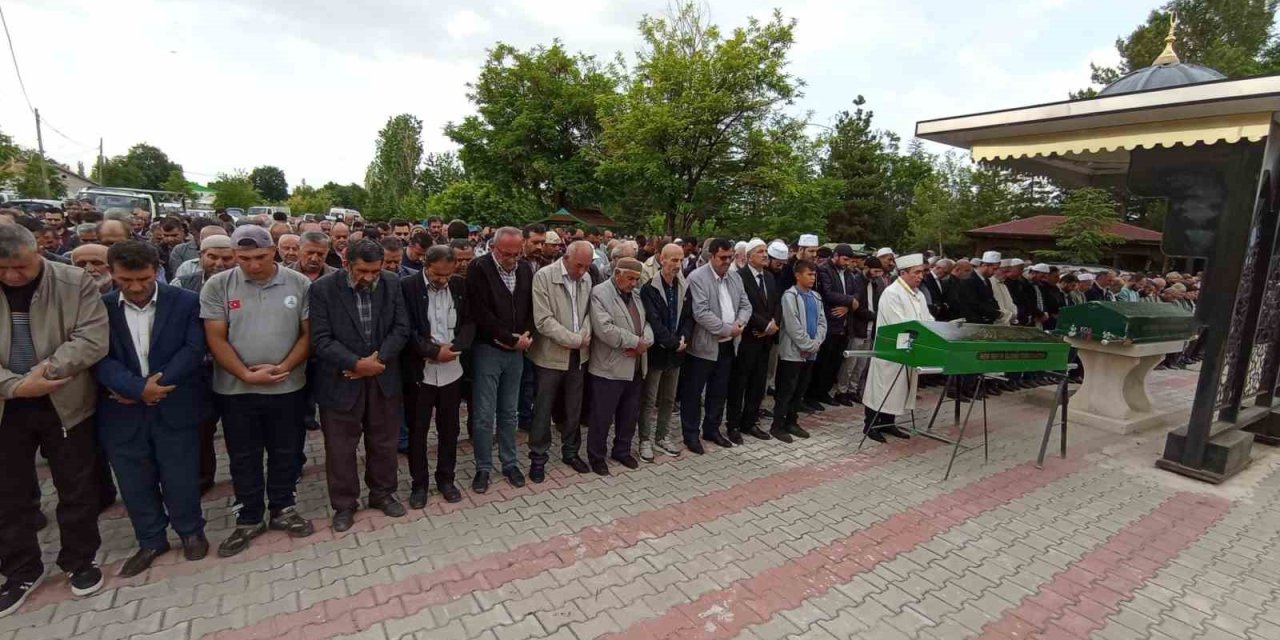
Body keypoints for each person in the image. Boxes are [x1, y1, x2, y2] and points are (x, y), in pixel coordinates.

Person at [0, 223, 109, 614]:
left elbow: (91, 338)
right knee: (9, 493)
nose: (12, 277)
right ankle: (19, 570)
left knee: (76, 485)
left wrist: (45, 374)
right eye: (3, 269)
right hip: (6, 404)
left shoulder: (73, 281)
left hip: (64, 399)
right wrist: (14, 386)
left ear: (37, 254)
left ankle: (80, 560)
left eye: (20, 268)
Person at [95, 241, 209, 577]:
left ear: (156, 270)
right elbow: (96, 354)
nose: (135, 287)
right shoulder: (99, 307)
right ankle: (151, 539)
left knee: (181, 474)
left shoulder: (184, 301)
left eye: (143, 278)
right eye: (125, 280)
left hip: (174, 403)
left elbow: (193, 348)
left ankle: (190, 531)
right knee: (134, 480)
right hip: (122, 409)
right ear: (112, 273)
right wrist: (134, 388)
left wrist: (154, 388)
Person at [200, 225, 315, 557]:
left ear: (274, 252)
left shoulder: (299, 284)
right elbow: (215, 337)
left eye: (260, 257)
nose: (252, 265)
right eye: (244, 258)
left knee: (286, 451)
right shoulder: (218, 285)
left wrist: (284, 367)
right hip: (236, 390)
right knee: (243, 455)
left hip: (288, 386)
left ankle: (283, 507)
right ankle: (249, 516)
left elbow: (307, 335)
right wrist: (244, 375)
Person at [309, 239, 410, 531]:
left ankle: (383, 493)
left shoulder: (392, 283)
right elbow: (321, 339)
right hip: (340, 382)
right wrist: (355, 363)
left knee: (384, 442)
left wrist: (376, 361)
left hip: (383, 378)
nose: (368, 278)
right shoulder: (322, 290)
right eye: (362, 271)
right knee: (340, 448)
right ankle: (344, 505)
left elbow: (401, 327)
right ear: (346, 264)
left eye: (374, 271)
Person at [401, 246, 472, 507]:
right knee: (418, 431)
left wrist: (455, 348)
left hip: (452, 371)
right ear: (425, 266)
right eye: (437, 275)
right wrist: (431, 350)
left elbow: (469, 322)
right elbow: (405, 328)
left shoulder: (459, 286)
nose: (442, 280)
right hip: (421, 373)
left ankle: (446, 479)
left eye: (447, 275)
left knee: (449, 428)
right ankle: (419, 484)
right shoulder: (407, 287)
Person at [466, 226, 535, 493]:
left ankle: (510, 463)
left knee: (509, 412)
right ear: (494, 247)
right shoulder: (479, 268)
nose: (512, 258)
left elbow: (530, 305)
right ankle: (483, 467)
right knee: (484, 414)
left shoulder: (525, 268)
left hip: (516, 351)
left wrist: (526, 335)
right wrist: (509, 338)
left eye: (516, 253)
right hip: (489, 349)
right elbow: (480, 313)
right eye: (507, 253)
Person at [528, 241, 594, 479]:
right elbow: (543, 320)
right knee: (543, 410)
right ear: (566, 257)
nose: (583, 271)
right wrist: (574, 339)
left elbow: (589, 312)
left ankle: (571, 451)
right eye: (579, 265)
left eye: (587, 266)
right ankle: (538, 457)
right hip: (549, 357)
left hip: (579, 356)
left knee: (574, 407)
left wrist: (585, 334)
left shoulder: (586, 279)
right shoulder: (544, 277)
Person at [680, 238, 752, 454]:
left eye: (730, 257)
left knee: (719, 391)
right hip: (703, 346)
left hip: (728, 345)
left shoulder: (734, 277)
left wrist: (740, 323)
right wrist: (727, 328)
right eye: (723, 258)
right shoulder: (697, 277)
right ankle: (690, 434)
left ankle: (711, 429)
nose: (727, 262)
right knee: (693, 393)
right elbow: (700, 312)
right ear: (711, 256)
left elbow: (745, 304)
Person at [586, 258, 652, 475]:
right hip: (609, 366)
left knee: (629, 412)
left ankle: (622, 450)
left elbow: (646, 323)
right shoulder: (600, 293)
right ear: (617, 274)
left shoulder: (635, 294)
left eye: (637, 279)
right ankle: (596, 456)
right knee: (602, 416)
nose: (634, 283)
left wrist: (646, 342)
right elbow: (604, 329)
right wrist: (635, 342)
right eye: (631, 278)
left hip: (634, 364)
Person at [863, 254, 934, 443]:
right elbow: (899, 323)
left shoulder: (917, 294)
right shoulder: (892, 293)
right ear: (903, 273)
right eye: (916, 272)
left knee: (900, 389)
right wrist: (921, 333)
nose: (920, 276)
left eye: (922, 272)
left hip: (909, 349)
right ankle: (870, 425)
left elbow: (927, 319)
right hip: (891, 350)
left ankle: (888, 424)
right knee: (882, 387)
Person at [639, 243, 689, 461]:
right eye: (674, 260)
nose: (678, 265)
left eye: (681, 260)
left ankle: (662, 436)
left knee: (669, 399)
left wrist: (683, 339)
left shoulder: (683, 287)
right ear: (662, 260)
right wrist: (672, 342)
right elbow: (653, 321)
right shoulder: (649, 288)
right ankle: (644, 440)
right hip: (657, 353)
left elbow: (688, 317)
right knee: (649, 399)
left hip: (677, 353)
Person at [726, 239, 779, 442]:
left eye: (766, 251)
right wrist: (764, 326)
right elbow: (743, 305)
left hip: (764, 340)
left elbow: (775, 304)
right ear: (748, 256)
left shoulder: (770, 278)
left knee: (758, 384)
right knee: (739, 384)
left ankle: (750, 422)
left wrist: (773, 324)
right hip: (747, 338)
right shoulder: (739, 277)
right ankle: (733, 425)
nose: (765, 255)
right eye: (760, 251)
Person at [771, 260, 825, 442]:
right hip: (793, 353)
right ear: (798, 275)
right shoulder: (790, 296)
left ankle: (792, 421)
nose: (813, 278)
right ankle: (777, 425)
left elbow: (822, 322)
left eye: (814, 274)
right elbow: (793, 326)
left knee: (800, 390)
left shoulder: (816, 297)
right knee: (787, 389)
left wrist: (816, 343)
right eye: (809, 274)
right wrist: (807, 345)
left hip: (810, 353)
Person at [807, 244, 861, 409]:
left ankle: (825, 393)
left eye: (849, 260)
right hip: (829, 324)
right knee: (822, 363)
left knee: (834, 363)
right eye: (844, 259)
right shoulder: (824, 270)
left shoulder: (849, 274)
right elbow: (827, 294)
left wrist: (848, 305)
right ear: (835, 256)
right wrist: (850, 301)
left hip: (844, 325)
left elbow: (857, 293)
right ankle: (812, 395)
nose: (846, 263)